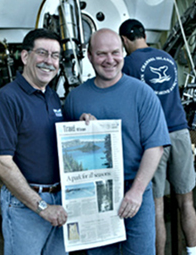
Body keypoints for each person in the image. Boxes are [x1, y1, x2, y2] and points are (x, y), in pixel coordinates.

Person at [64, 28, 171, 255]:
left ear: (123, 52)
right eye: (101, 54)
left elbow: (156, 146)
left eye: (115, 52)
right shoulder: (75, 98)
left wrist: (137, 191)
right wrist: (80, 129)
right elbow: (67, 151)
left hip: (135, 191)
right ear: (89, 56)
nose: (109, 60)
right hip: (93, 196)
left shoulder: (143, 93)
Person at [0, 28, 92, 255]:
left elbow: (50, 139)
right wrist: (42, 207)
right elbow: (1, 163)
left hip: (59, 200)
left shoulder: (51, 96)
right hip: (26, 205)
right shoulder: (6, 99)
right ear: (25, 56)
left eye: (55, 56)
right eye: (42, 53)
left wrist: (81, 124)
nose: (49, 61)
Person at [119, 19, 196, 255]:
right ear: (144, 34)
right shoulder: (168, 58)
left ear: (124, 40)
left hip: (155, 140)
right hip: (181, 133)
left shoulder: (128, 64)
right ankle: (193, 253)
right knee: (187, 202)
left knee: (156, 207)